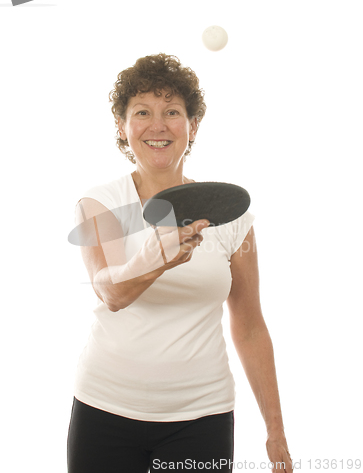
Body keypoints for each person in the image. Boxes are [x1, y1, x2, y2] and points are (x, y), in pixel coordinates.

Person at [67, 53, 293, 473]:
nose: (158, 125)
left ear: (193, 126)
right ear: (122, 126)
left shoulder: (231, 216)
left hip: (201, 417)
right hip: (105, 409)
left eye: (172, 112)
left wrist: (275, 431)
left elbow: (249, 324)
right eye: (142, 112)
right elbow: (111, 291)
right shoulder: (100, 204)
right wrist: (157, 258)